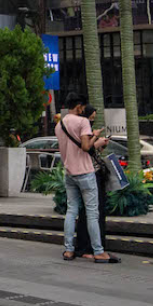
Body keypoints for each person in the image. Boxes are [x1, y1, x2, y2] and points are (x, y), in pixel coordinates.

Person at [55, 93, 118, 263]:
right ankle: (98, 251)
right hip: (85, 173)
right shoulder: (82, 122)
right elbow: (85, 147)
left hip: (69, 173)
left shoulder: (60, 124)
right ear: (79, 106)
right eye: (83, 107)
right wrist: (95, 136)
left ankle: (69, 250)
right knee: (92, 213)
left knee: (71, 211)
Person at [73, 105, 115, 259]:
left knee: (95, 211)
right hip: (88, 173)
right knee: (90, 212)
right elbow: (84, 150)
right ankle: (87, 248)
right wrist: (96, 141)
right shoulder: (81, 129)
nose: (91, 121)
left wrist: (100, 146)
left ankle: (93, 247)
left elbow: (90, 152)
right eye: (91, 118)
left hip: (94, 173)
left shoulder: (83, 129)